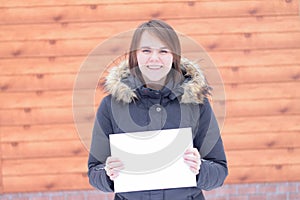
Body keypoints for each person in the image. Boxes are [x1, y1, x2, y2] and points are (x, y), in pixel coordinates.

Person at [88, 19, 228, 200]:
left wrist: (200, 168)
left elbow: (219, 172)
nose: (154, 58)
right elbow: (94, 172)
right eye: (146, 50)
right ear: (135, 55)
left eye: (163, 51)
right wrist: (107, 173)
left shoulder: (196, 104)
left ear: (174, 56)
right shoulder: (111, 106)